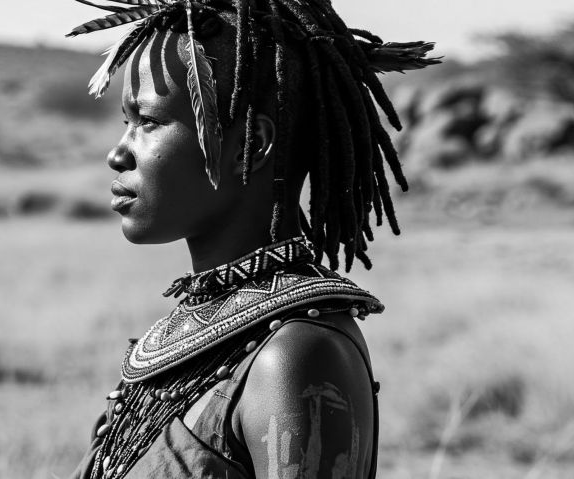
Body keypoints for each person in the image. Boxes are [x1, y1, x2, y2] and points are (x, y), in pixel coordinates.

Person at [64, 1, 438, 478]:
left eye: (149, 121)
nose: (118, 154)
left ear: (249, 146)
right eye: (126, 123)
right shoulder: (198, 333)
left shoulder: (293, 356)